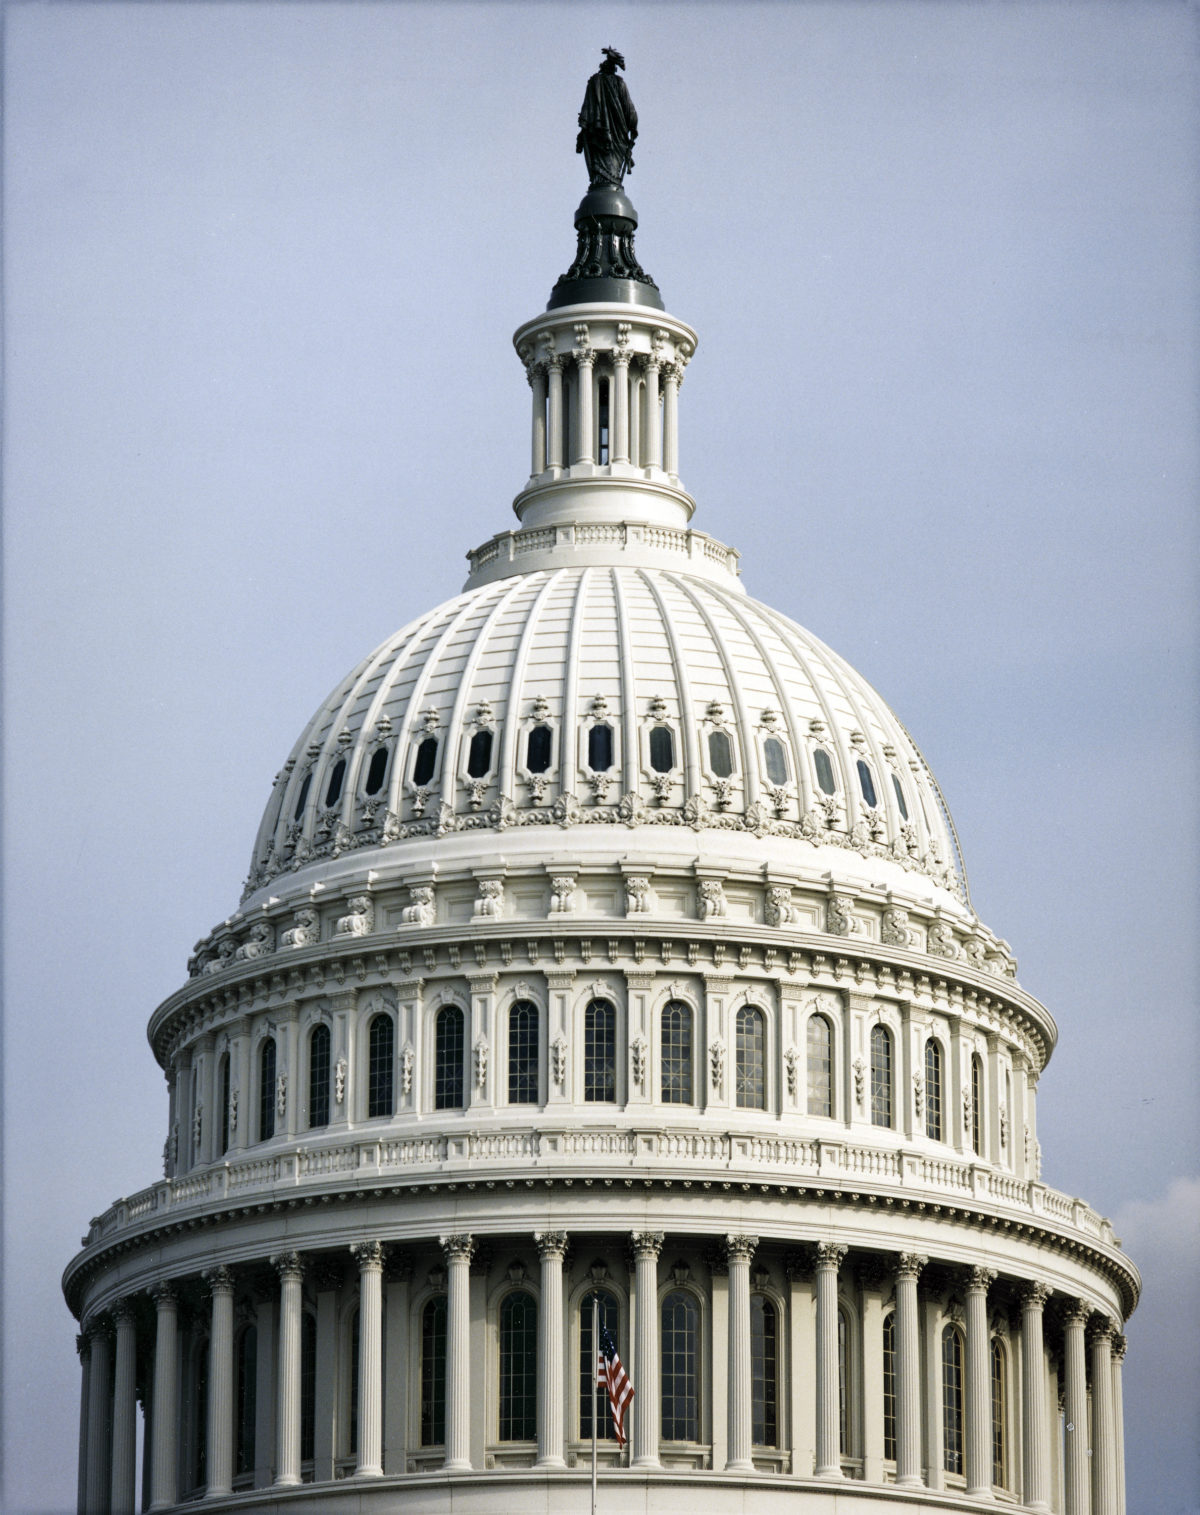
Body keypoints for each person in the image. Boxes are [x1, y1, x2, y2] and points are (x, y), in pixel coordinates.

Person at [576, 48, 638, 191]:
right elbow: (630, 110)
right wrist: (633, 127)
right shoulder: (618, 83)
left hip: (598, 133)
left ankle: (601, 181)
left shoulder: (594, 81)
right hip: (616, 133)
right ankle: (607, 182)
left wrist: (585, 127)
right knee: (611, 163)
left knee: (601, 159)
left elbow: (587, 109)